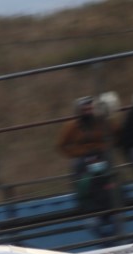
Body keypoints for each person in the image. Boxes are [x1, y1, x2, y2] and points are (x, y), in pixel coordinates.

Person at [56, 96, 120, 239]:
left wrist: (105, 147)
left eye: (90, 108)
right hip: (83, 157)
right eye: (84, 109)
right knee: (80, 174)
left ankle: (114, 199)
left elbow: (116, 133)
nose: (88, 112)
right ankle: (85, 202)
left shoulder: (103, 122)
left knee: (109, 172)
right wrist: (77, 153)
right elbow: (61, 145)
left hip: (101, 154)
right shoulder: (71, 127)